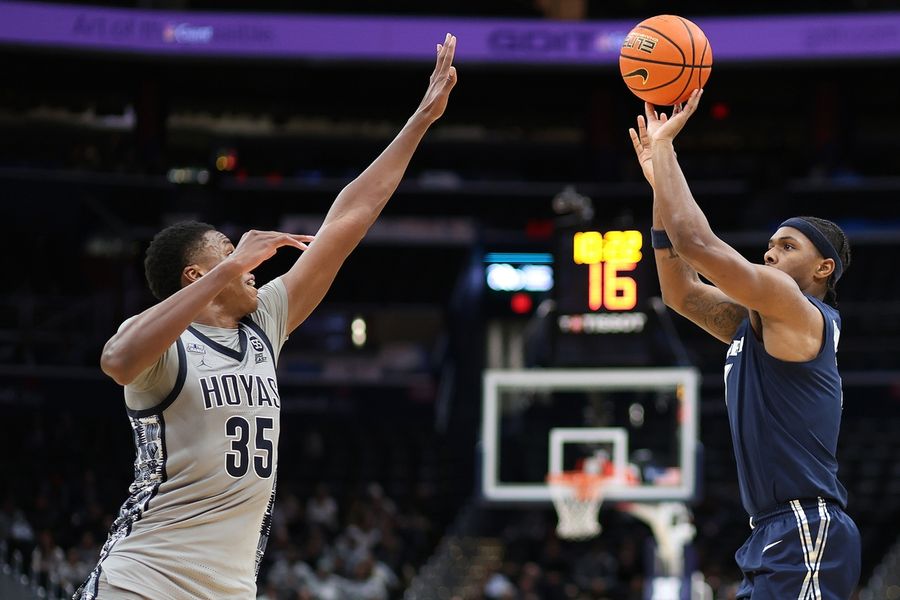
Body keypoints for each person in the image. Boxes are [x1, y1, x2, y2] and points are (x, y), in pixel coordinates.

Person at [75, 33, 458, 600]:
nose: (247, 264)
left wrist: (421, 120)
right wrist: (231, 269)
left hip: (229, 588)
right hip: (143, 579)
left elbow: (350, 215)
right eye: (226, 252)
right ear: (195, 276)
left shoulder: (263, 323)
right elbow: (116, 359)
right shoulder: (163, 348)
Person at [629, 89, 860, 599]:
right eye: (771, 243)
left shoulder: (797, 308)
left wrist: (667, 151)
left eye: (787, 245)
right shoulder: (760, 321)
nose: (770, 252)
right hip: (772, 532)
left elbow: (697, 244)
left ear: (823, 269)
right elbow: (680, 291)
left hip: (806, 528)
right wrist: (658, 188)